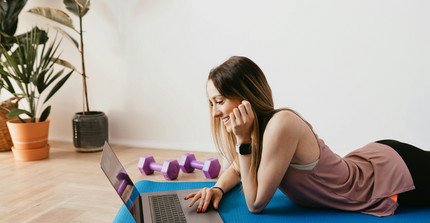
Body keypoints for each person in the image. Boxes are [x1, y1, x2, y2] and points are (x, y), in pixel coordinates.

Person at [184, 56, 430, 217]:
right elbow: (238, 169)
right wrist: (217, 188)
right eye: (211, 103)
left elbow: (255, 203)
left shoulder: (282, 124)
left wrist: (241, 140)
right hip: (371, 161)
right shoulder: (259, 132)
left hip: (389, 175)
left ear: (244, 96)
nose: (215, 112)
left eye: (220, 101)